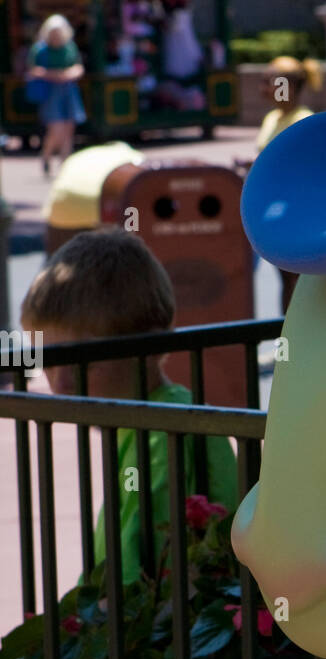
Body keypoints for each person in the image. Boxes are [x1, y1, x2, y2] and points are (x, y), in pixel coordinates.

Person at [20, 229, 238, 585]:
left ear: (150, 349)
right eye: (49, 362)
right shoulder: (158, 416)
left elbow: (134, 578)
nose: (60, 385)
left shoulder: (157, 433)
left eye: (85, 363)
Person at [255, 56, 323, 315]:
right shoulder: (271, 118)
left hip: (296, 213)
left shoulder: (303, 120)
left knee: (298, 280)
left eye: (268, 81)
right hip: (272, 212)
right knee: (285, 279)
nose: (263, 88)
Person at [26, 15, 87, 177]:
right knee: (56, 130)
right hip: (51, 92)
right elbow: (33, 70)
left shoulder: (69, 47)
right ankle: (46, 156)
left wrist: (68, 74)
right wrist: (54, 75)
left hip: (68, 90)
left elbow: (78, 67)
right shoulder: (40, 49)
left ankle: (65, 166)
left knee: (68, 129)